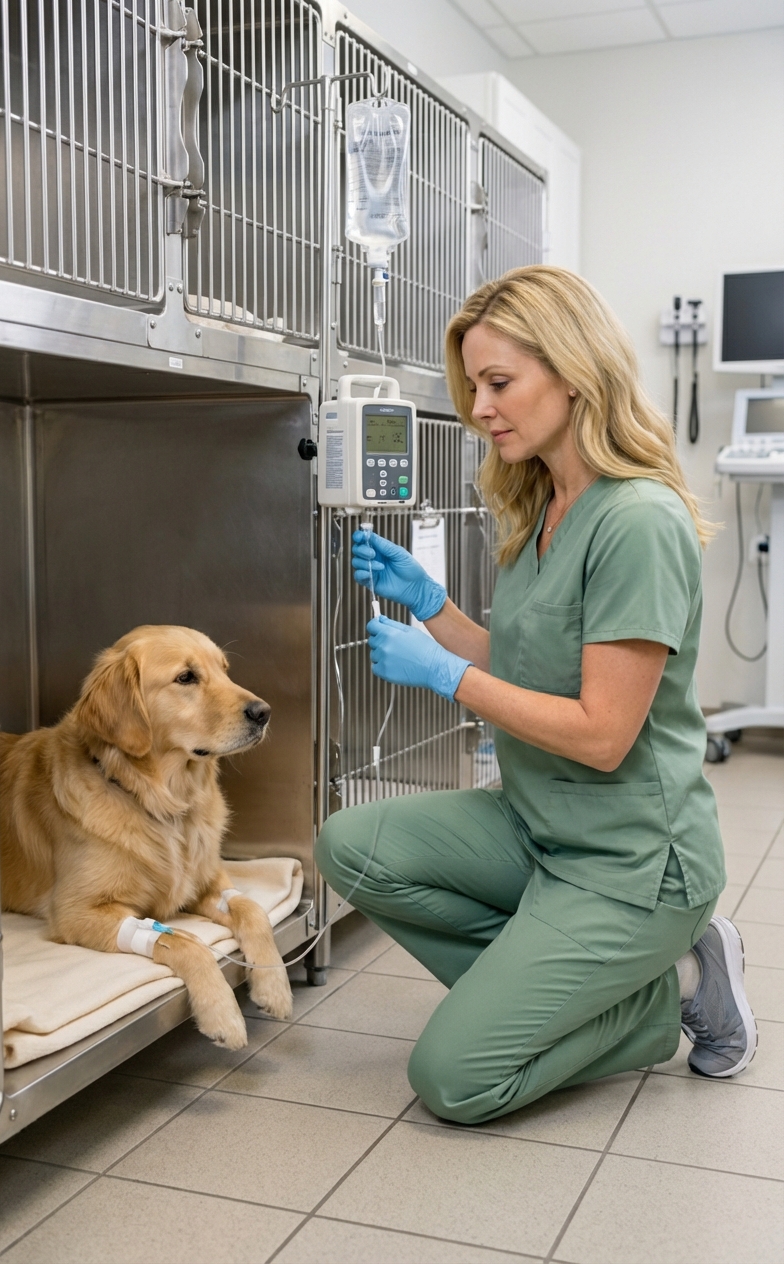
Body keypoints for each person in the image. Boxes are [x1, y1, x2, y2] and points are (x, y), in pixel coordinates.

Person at [314, 265, 757, 1125]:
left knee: (455, 1080)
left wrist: (450, 678)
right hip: (536, 825)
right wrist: (433, 608)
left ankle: (675, 987)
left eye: (499, 383)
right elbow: (528, 665)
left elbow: (602, 734)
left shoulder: (637, 521)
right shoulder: (543, 504)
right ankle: (568, 987)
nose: (479, 407)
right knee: (349, 845)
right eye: (474, 384)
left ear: (573, 370)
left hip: (631, 864)